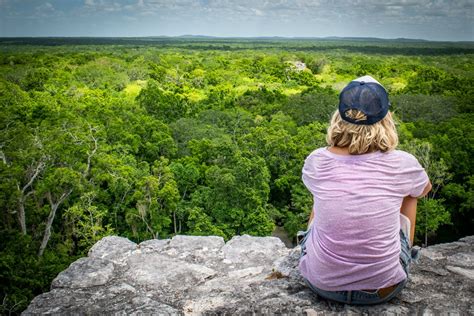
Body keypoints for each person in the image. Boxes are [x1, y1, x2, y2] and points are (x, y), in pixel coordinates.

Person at [298, 75, 432, 305]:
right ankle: (403, 256)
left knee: (322, 194)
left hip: (322, 284)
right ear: (385, 119)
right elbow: (423, 190)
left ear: (339, 117)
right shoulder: (403, 162)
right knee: (410, 194)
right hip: (383, 288)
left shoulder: (318, 160)